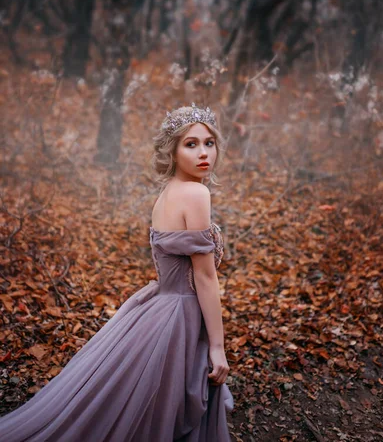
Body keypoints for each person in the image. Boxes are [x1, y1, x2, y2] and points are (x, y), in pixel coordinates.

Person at [0, 103, 234, 441]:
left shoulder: (168, 192)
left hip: (161, 306)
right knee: (157, 407)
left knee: (142, 401)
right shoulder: (196, 193)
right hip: (179, 313)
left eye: (209, 143)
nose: (203, 153)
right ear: (173, 150)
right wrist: (217, 345)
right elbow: (205, 276)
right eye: (191, 143)